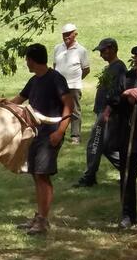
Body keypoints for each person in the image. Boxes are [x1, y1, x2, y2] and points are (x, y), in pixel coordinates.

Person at [11, 43, 73, 235]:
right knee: (36, 175)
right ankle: (39, 216)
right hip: (35, 134)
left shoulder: (55, 79)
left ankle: (43, 221)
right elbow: (18, 101)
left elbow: (69, 106)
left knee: (42, 176)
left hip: (50, 135)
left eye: (27, 59)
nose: (26, 63)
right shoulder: (34, 81)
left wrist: (60, 132)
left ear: (32, 60)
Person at [73, 38, 125, 188]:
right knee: (106, 146)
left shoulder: (118, 68)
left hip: (107, 113)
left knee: (94, 144)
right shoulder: (111, 67)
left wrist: (106, 112)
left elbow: (117, 92)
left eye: (103, 50)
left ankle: (89, 177)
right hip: (103, 111)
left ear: (112, 49)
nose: (101, 54)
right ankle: (128, 169)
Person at [117, 44, 137, 229]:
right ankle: (127, 215)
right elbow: (112, 99)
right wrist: (126, 94)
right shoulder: (126, 78)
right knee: (127, 174)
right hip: (131, 133)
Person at [54, 23, 90, 144]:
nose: (66, 37)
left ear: (75, 34)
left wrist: (77, 79)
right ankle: (59, 133)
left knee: (74, 111)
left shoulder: (81, 50)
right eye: (64, 34)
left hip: (73, 85)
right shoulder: (57, 48)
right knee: (58, 109)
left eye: (69, 34)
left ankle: (75, 136)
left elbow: (86, 69)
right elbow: (55, 66)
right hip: (58, 86)